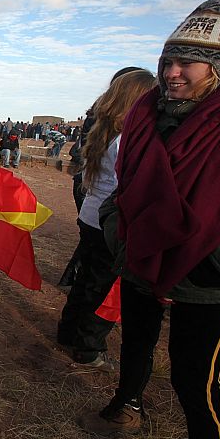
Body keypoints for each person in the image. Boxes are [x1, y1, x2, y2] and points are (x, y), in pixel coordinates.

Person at [77, 0, 220, 439]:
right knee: (135, 345)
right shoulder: (145, 114)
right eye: (168, 60)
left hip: (209, 279)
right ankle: (124, 405)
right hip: (140, 261)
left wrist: (201, 265)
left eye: (189, 62)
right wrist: (126, 242)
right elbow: (123, 189)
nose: (172, 72)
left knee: (195, 381)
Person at [56, 69, 156, 371]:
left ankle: (68, 332)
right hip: (109, 223)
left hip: (91, 216)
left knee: (86, 281)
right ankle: (88, 349)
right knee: (101, 289)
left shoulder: (104, 130)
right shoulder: (128, 138)